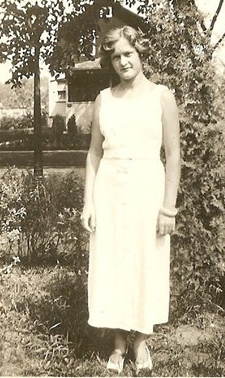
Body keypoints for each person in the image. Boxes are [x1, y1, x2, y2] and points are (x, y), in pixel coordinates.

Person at [81, 25, 181, 374]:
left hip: (147, 190)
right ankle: (118, 342)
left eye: (128, 54)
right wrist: (88, 203)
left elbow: (173, 155)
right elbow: (94, 153)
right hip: (109, 190)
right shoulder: (104, 100)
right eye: (116, 56)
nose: (123, 61)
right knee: (113, 265)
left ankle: (140, 342)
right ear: (110, 62)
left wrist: (168, 207)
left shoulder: (161, 96)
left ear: (140, 54)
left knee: (144, 264)